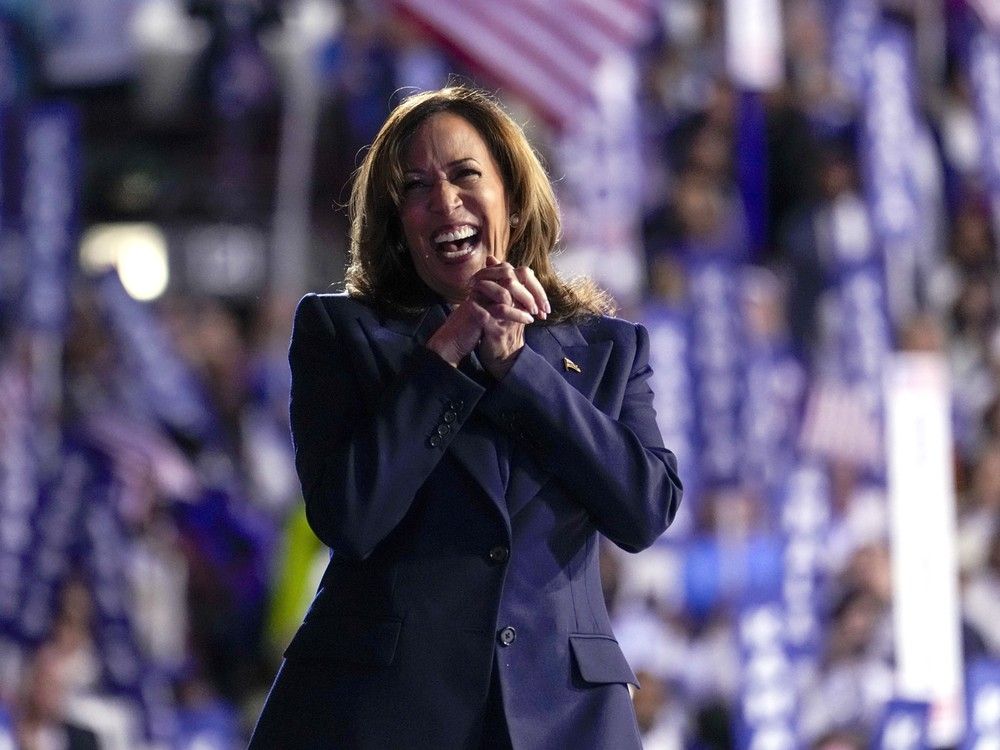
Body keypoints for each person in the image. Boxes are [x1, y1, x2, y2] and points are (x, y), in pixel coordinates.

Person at [249, 85, 683, 749]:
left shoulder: (608, 350)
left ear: (513, 195)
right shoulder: (342, 334)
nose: (445, 201)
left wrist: (520, 371)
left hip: (562, 721)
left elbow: (644, 510)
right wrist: (445, 353)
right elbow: (350, 518)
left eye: (465, 174)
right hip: (385, 718)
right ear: (398, 224)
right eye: (416, 186)